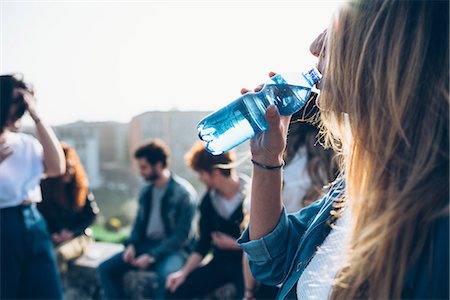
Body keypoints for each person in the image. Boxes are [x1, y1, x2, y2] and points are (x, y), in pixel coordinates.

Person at [238, 1, 449, 299]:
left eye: (335, 28)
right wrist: (266, 160)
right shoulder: (354, 187)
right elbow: (273, 261)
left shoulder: (439, 217)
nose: (315, 45)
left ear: (389, 48)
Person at [98, 139, 197, 300]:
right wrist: (131, 245)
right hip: (146, 245)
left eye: (143, 167)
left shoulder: (184, 194)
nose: (140, 171)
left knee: (167, 278)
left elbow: (182, 236)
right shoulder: (146, 190)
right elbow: (139, 223)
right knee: (105, 269)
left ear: (158, 165)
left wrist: (152, 256)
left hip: (174, 250)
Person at [0, 74, 66, 299]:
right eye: (15, 103)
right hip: (3, 224)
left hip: (33, 221)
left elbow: (57, 167)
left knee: (48, 294)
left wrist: (37, 116)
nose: (19, 110)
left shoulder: (26, 144)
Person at [166, 141, 249, 299]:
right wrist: (182, 273)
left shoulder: (252, 195)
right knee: (175, 290)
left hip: (247, 266)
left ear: (216, 171)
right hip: (219, 264)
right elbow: (203, 244)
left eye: (201, 173)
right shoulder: (208, 202)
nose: (200, 178)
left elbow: (264, 242)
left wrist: (234, 244)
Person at [38, 143, 99, 274]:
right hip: (55, 236)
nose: (69, 172)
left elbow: (92, 214)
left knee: (59, 255)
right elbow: (41, 216)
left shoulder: (80, 186)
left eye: (71, 167)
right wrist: (54, 234)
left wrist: (72, 232)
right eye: (66, 168)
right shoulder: (45, 189)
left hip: (80, 236)